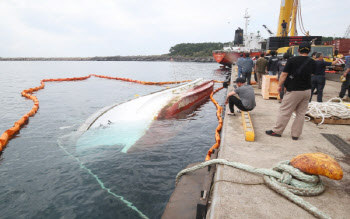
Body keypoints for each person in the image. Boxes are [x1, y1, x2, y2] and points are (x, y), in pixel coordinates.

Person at [266, 42, 316, 140]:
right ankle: (295, 135)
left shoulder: (292, 60)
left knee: (285, 111)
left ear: (298, 50)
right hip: (307, 90)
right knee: (301, 113)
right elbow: (312, 74)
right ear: (310, 51)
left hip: (294, 89)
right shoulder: (312, 61)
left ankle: (277, 131)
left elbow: (284, 74)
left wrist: (279, 85)